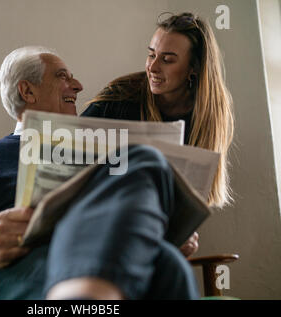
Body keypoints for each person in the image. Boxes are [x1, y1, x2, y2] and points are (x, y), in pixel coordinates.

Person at [0, 45, 200, 300]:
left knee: (166, 250)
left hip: (115, 264)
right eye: (63, 77)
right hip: (26, 271)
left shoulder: (104, 153)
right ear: (27, 91)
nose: (78, 86)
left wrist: (171, 233)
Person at [82, 12, 234, 208]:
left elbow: (197, 197)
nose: (152, 67)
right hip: (104, 209)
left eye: (167, 60)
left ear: (194, 68)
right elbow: (71, 153)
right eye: (151, 54)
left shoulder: (211, 110)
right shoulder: (119, 95)